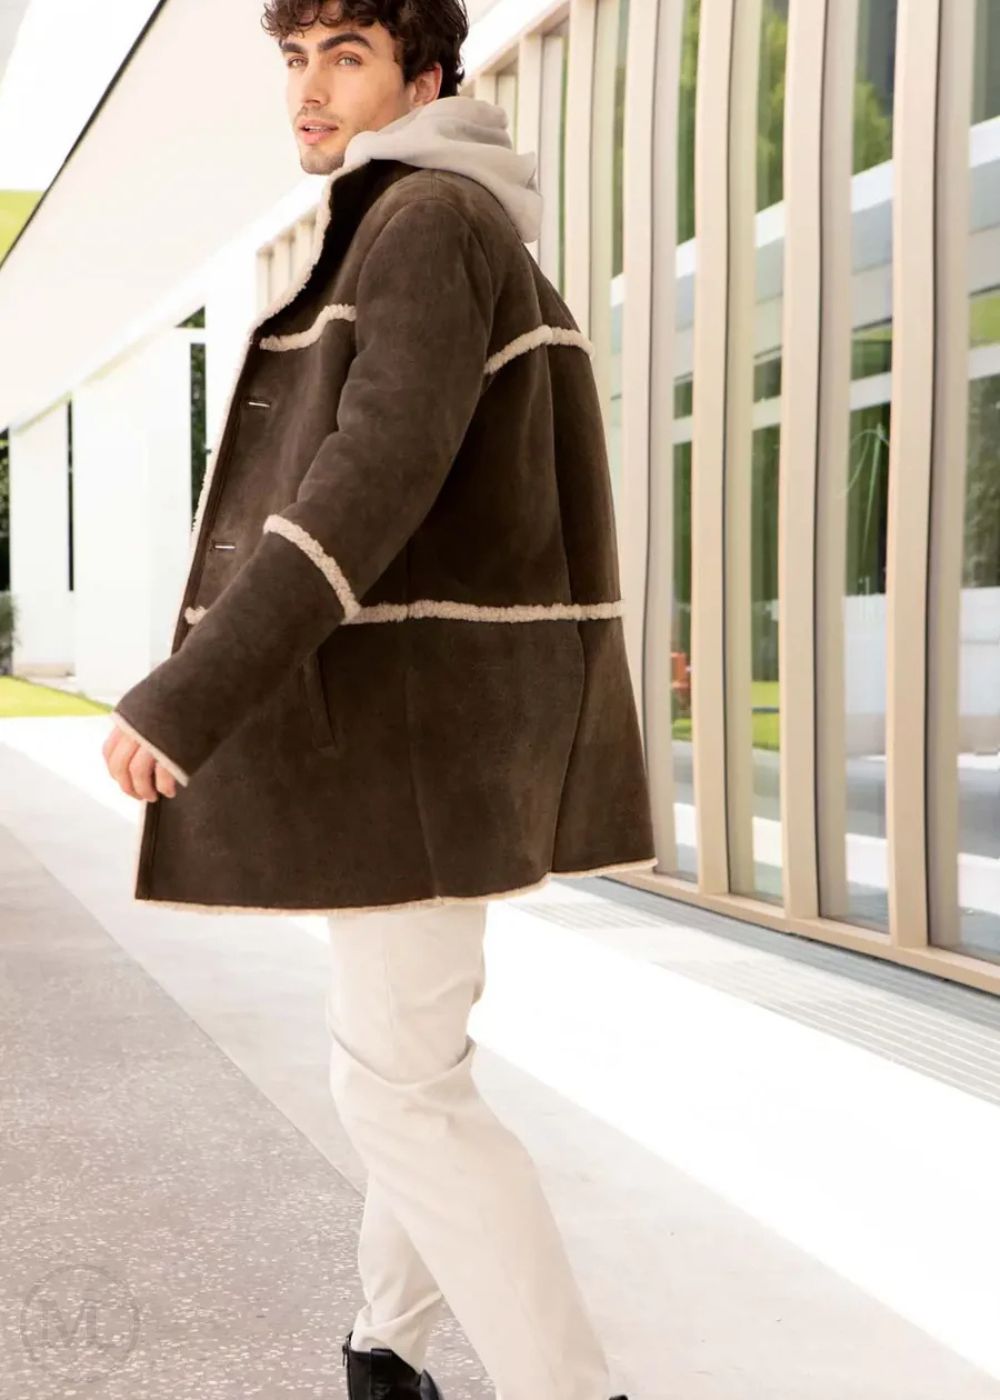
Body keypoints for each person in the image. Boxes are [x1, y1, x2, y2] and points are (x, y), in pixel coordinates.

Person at [103, 1, 654, 1396]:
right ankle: (385, 1350)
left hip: (420, 742)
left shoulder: (428, 223)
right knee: (413, 1065)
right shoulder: (446, 223)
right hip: (441, 740)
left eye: (344, 57)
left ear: (424, 75)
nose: (309, 90)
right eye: (295, 58)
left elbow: (364, 483)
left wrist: (191, 689)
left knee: (397, 1089)